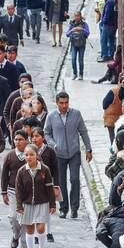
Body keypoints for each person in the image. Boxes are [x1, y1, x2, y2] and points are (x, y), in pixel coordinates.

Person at [44, 91, 92, 220]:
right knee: (61, 182)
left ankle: (75, 208)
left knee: (75, 179)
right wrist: (53, 144)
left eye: (66, 103)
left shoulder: (76, 114)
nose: (64, 106)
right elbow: (46, 133)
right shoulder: (51, 116)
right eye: (61, 103)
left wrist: (89, 148)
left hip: (74, 153)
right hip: (58, 154)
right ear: (57, 103)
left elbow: (83, 131)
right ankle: (64, 208)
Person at [15, 144, 55, 248]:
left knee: (41, 227)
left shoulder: (44, 170)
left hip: (42, 202)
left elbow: (49, 188)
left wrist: (52, 204)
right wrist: (19, 205)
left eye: (31, 154)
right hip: (27, 203)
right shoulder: (21, 172)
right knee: (30, 229)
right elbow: (18, 190)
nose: (29, 157)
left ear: (37, 155)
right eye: (26, 155)